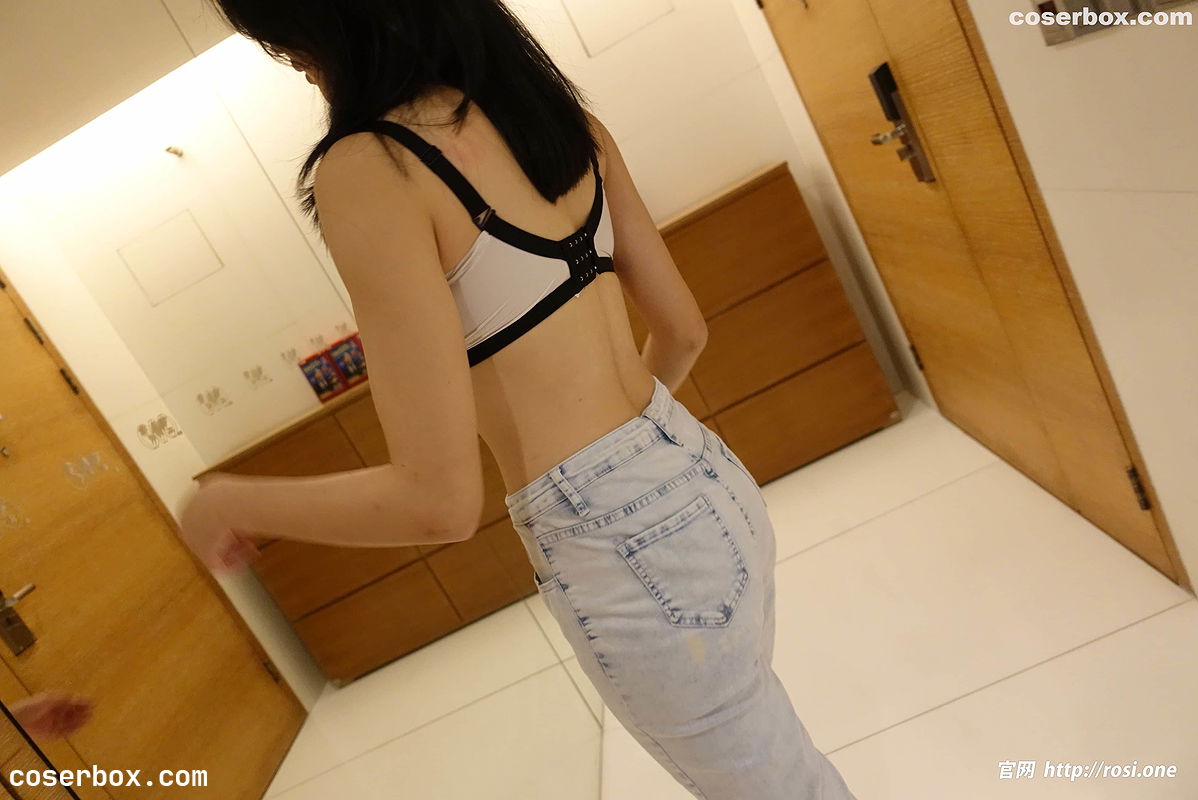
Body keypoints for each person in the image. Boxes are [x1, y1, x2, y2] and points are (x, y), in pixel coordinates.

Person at [178, 2, 858, 797]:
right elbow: (683, 333)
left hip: (625, 546)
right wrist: (631, 461)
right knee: (782, 765)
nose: (294, 65)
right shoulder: (560, 120)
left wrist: (228, 502)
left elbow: (437, 503)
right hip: (703, 474)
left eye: (288, 42)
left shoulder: (369, 168)